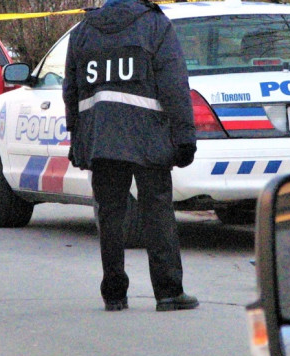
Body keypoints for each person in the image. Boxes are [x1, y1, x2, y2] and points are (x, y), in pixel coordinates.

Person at [62, 0, 199, 312]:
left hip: (101, 137)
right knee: (157, 211)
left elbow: (71, 90)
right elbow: (174, 85)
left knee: (110, 215)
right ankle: (167, 292)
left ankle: (114, 293)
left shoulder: (84, 30)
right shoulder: (155, 25)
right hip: (148, 135)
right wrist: (185, 136)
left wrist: (78, 137)